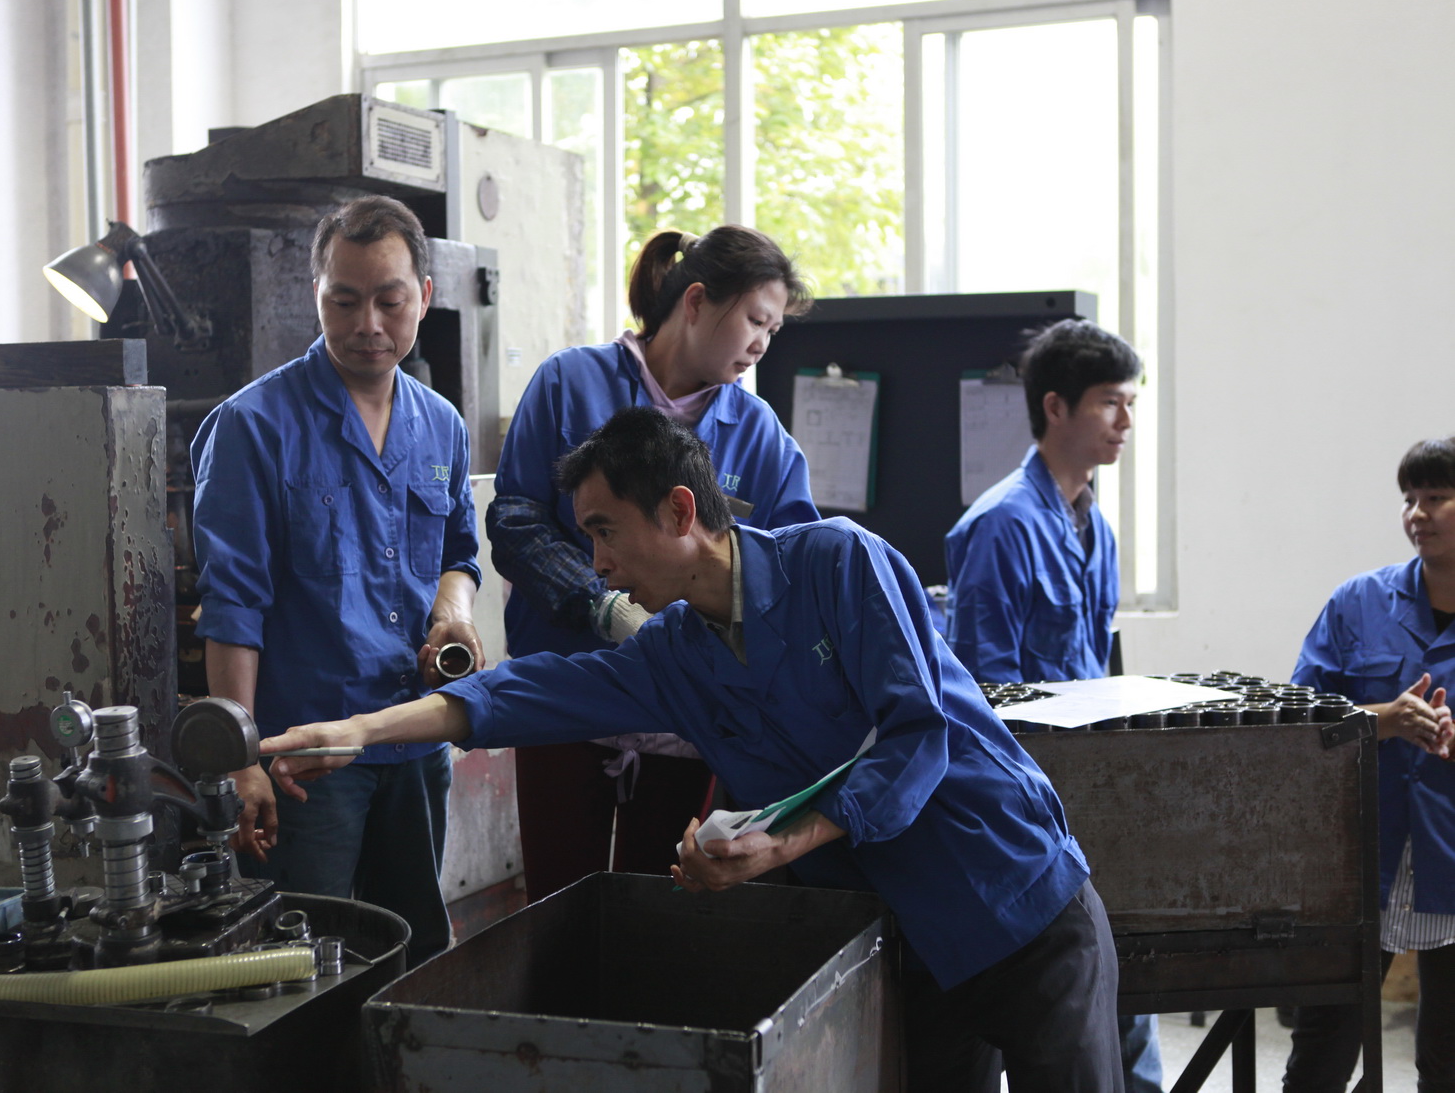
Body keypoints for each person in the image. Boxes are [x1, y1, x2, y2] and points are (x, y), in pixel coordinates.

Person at [268, 407, 1124, 1092]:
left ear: (679, 511)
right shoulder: (676, 653)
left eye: (605, 532)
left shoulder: (839, 563)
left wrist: (780, 843)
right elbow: (528, 693)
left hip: (1014, 902)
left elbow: (915, 736)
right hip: (910, 943)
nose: (597, 564)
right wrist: (362, 730)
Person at [191, 194, 484, 964]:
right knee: (302, 954)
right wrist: (240, 757)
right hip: (303, 759)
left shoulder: (441, 425)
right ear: (314, 293)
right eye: (344, 301)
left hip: (414, 738)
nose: (368, 324)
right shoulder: (253, 426)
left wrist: (451, 612)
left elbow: (459, 552)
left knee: (414, 947)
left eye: (390, 300)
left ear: (424, 295)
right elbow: (233, 604)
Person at [489, 225, 819, 901]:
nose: (762, 343)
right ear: (695, 302)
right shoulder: (569, 384)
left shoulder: (762, 436)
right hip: (565, 701)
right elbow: (515, 520)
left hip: (686, 723)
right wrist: (599, 604)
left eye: (773, 330)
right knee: (558, 907)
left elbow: (789, 575)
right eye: (754, 321)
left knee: (661, 911)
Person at [941, 319, 1161, 1091]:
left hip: (1090, 790)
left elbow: (1093, 666)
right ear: (1056, 406)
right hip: (1021, 807)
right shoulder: (999, 525)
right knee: (1058, 1004)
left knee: (1122, 979)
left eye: (1131, 403)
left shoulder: (1095, 527)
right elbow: (984, 697)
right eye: (1109, 402)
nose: (1125, 421)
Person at [1282, 436, 1455, 1093]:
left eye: (1436, 496)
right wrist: (1380, 719)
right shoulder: (1357, 602)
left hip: (1449, 861)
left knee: (1447, 1062)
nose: (1417, 513)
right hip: (1359, 861)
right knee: (1320, 1057)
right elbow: (1296, 719)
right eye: (1409, 498)